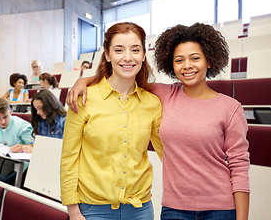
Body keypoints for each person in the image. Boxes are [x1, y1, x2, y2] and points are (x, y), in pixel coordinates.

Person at [67, 23, 250, 220]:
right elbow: (123, 75)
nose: (187, 65)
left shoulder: (230, 108)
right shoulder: (164, 95)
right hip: (175, 208)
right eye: (179, 60)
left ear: (210, 60)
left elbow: (239, 168)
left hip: (220, 208)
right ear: (171, 64)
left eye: (195, 58)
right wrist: (82, 81)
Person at [60, 22, 163, 220]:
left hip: (140, 209)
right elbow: (69, 158)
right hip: (92, 209)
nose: (127, 57)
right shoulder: (83, 98)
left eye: (135, 50)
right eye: (118, 50)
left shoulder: (152, 103)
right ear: (107, 55)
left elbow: (167, 153)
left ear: (143, 55)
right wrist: (73, 210)